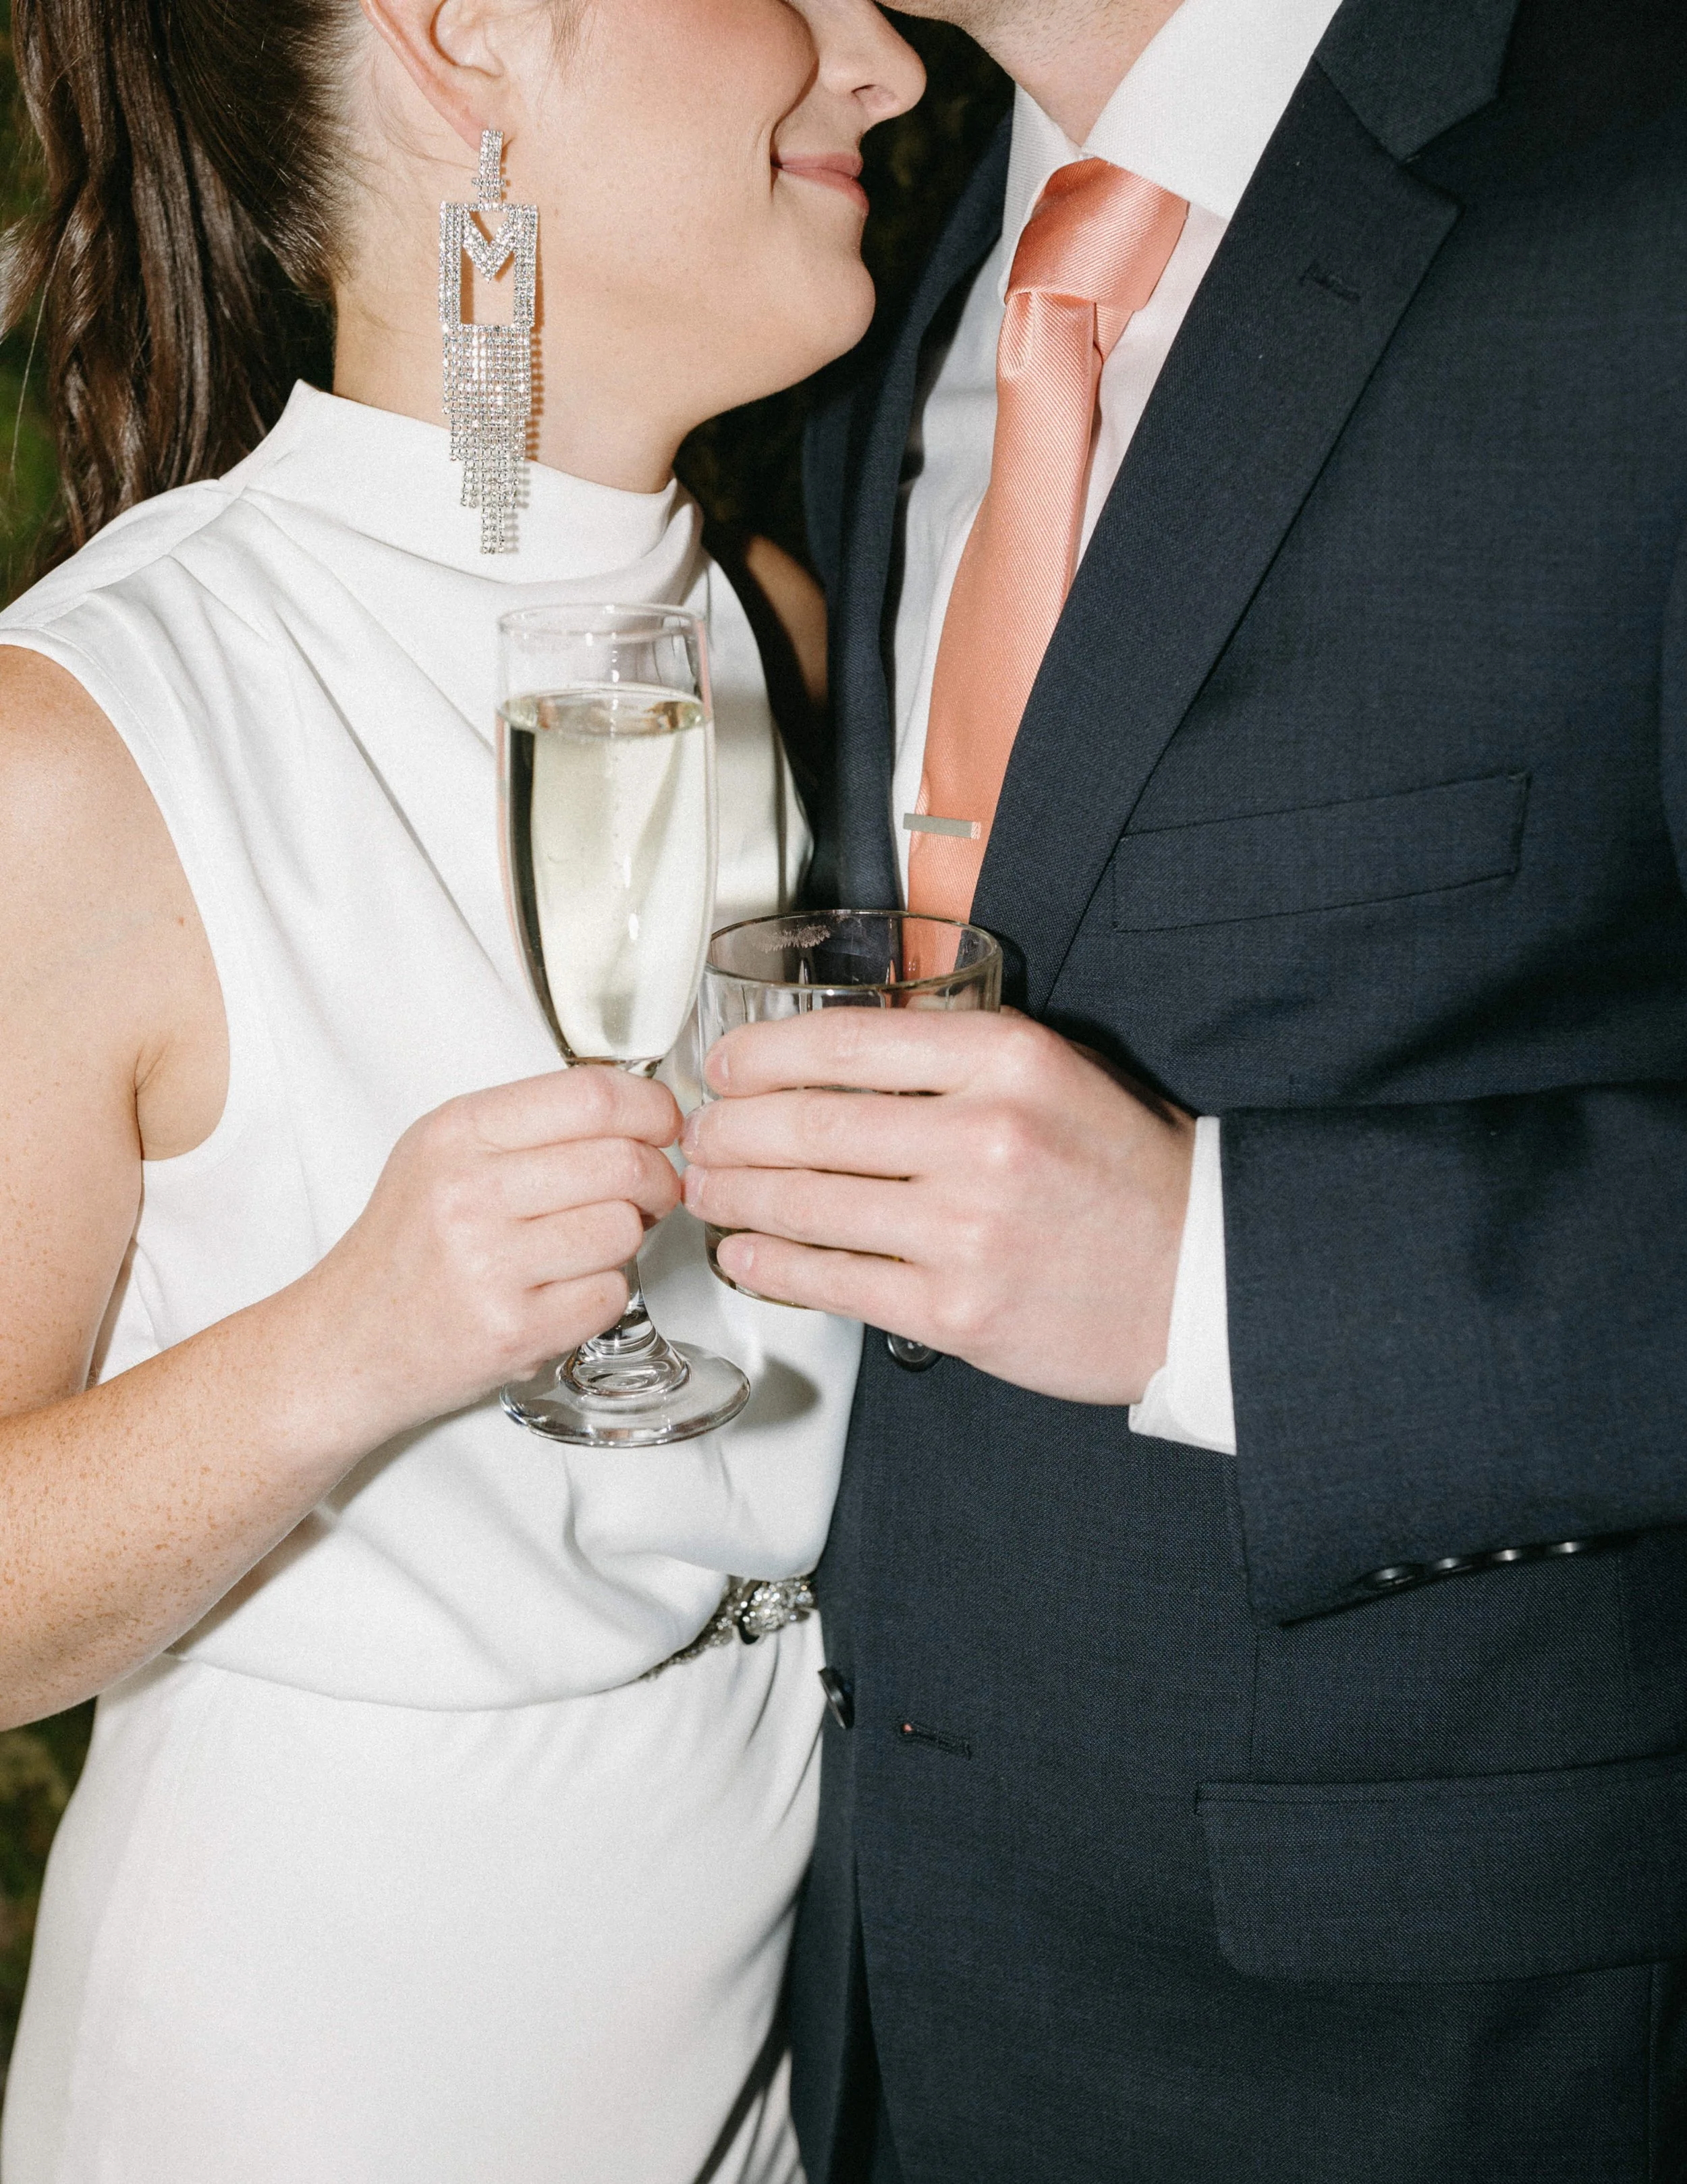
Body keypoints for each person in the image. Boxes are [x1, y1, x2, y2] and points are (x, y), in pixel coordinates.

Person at [679, 0, 1687, 2175]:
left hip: (1448, 2049)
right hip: (869, 2006)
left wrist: (1205, 1272)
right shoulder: (890, 267)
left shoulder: (1642, 182)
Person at [0, 1, 922, 2178]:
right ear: (470, 31)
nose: (879, 57)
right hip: (331, 2075)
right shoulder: (88, 740)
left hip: (769, 2025)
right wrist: (347, 1342)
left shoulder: (772, 629)